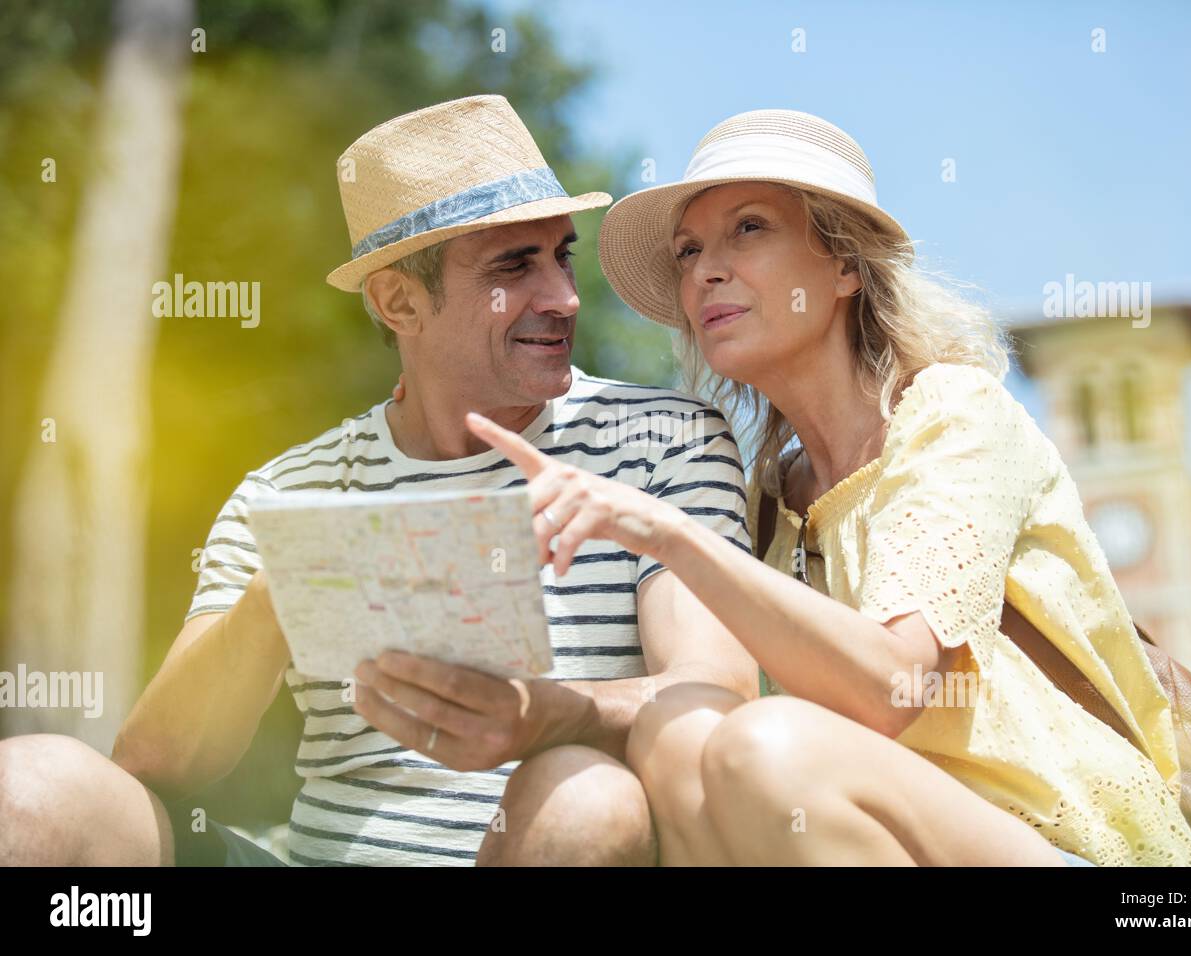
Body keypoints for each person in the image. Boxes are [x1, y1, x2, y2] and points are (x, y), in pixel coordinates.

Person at [0, 95, 757, 867]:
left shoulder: (664, 442)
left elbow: (717, 688)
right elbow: (160, 760)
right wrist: (276, 598)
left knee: (587, 797)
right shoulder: (288, 488)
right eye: (512, 266)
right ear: (399, 301)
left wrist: (547, 716)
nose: (563, 298)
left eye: (561, 254)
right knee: (29, 789)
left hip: (543, 841)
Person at [467, 107, 1191, 867]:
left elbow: (891, 685)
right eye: (688, 250)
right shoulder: (769, 500)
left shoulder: (953, 412)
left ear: (846, 266)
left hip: (1063, 844)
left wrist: (664, 531)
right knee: (674, 728)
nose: (705, 270)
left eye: (749, 228)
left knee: (765, 742)